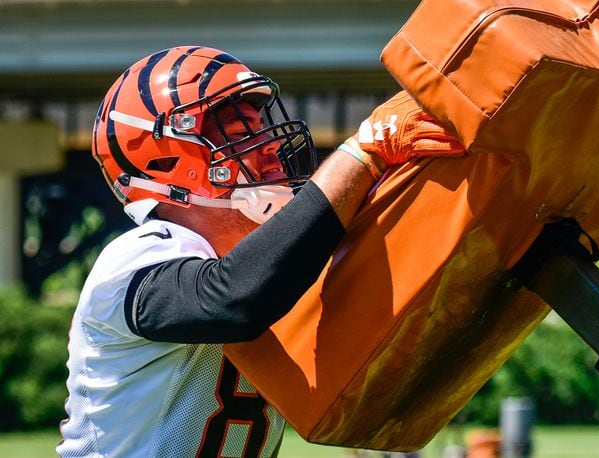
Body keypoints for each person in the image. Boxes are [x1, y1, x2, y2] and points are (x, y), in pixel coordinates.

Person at [57, 45, 464, 457]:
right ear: (165, 161)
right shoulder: (134, 259)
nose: (269, 147)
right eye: (239, 136)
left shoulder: (276, 264)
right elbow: (234, 301)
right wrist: (361, 153)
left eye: (259, 129)